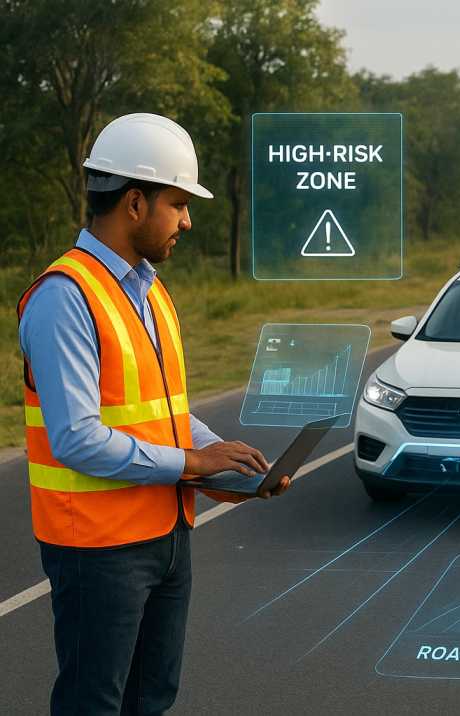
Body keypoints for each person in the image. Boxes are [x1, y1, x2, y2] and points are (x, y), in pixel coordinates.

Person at [17, 113, 291, 715]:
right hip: (97, 549)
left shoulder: (150, 290)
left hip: (165, 536)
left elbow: (163, 414)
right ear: (135, 203)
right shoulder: (65, 295)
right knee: (95, 703)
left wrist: (225, 465)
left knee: (151, 700)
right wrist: (192, 460)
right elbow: (76, 439)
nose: (188, 221)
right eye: (178, 204)